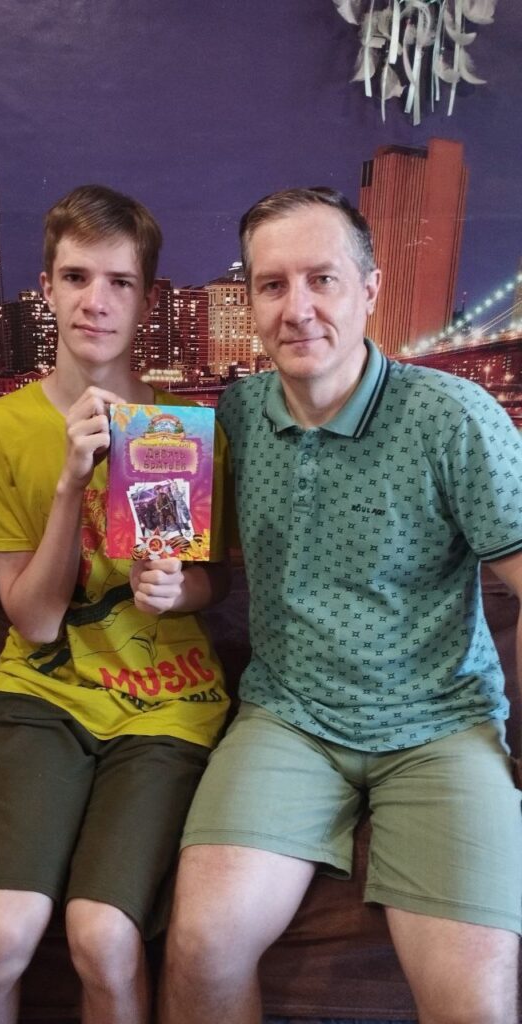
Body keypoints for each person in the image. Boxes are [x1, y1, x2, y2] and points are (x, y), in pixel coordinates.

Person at [159, 186, 522, 1024]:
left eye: (322, 278)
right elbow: (204, 569)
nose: (298, 308)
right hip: (287, 720)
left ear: (370, 289)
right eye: (272, 284)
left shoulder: (455, 417)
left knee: (474, 1003)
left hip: (441, 727)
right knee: (201, 948)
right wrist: (172, 580)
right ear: (251, 302)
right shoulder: (234, 416)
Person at [0, 184, 232, 1024]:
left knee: (103, 937)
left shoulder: (185, 428)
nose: (95, 302)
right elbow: (35, 622)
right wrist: (73, 482)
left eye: (119, 282)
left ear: (146, 299)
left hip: (168, 705)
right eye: (75, 278)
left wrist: (182, 588)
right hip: (40, 697)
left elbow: (215, 582)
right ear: (46, 287)